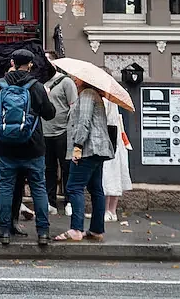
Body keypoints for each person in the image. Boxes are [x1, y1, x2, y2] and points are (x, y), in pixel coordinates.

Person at [0, 49, 55, 246]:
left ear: (13, 62)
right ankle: (43, 232)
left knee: (5, 188)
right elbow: (49, 114)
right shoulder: (37, 87)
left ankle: (4, 231)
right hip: (34, 148)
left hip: (6, 148)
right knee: (38, 188)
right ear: (30, 64)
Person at [54, 78, 115, 242]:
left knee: (74, 187)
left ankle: (76, 229)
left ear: (86, 80)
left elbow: (84, 122)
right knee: (96, 189)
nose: (74, 79)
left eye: (77, 78)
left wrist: (77, 147)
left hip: (88, 149)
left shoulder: (87, 94)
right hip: (97, 149)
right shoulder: (94, 95)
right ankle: (96, 229)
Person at [44, 51, 78, 216]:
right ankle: (50, 202)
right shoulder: (39, 81)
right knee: (48, 169)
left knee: (66, 168)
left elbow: (73, 106)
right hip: (44, 132)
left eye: (48, 60)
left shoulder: (66, 82)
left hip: (63, 131)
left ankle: (69, 200)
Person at [103, 96, 133, 222]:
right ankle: (112, 210)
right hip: (116, 139)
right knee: (115, 174)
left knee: (107, 175)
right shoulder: (113, 100)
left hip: (108, 140)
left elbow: (107, 120)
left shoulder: (104, 100)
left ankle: (106, 211)